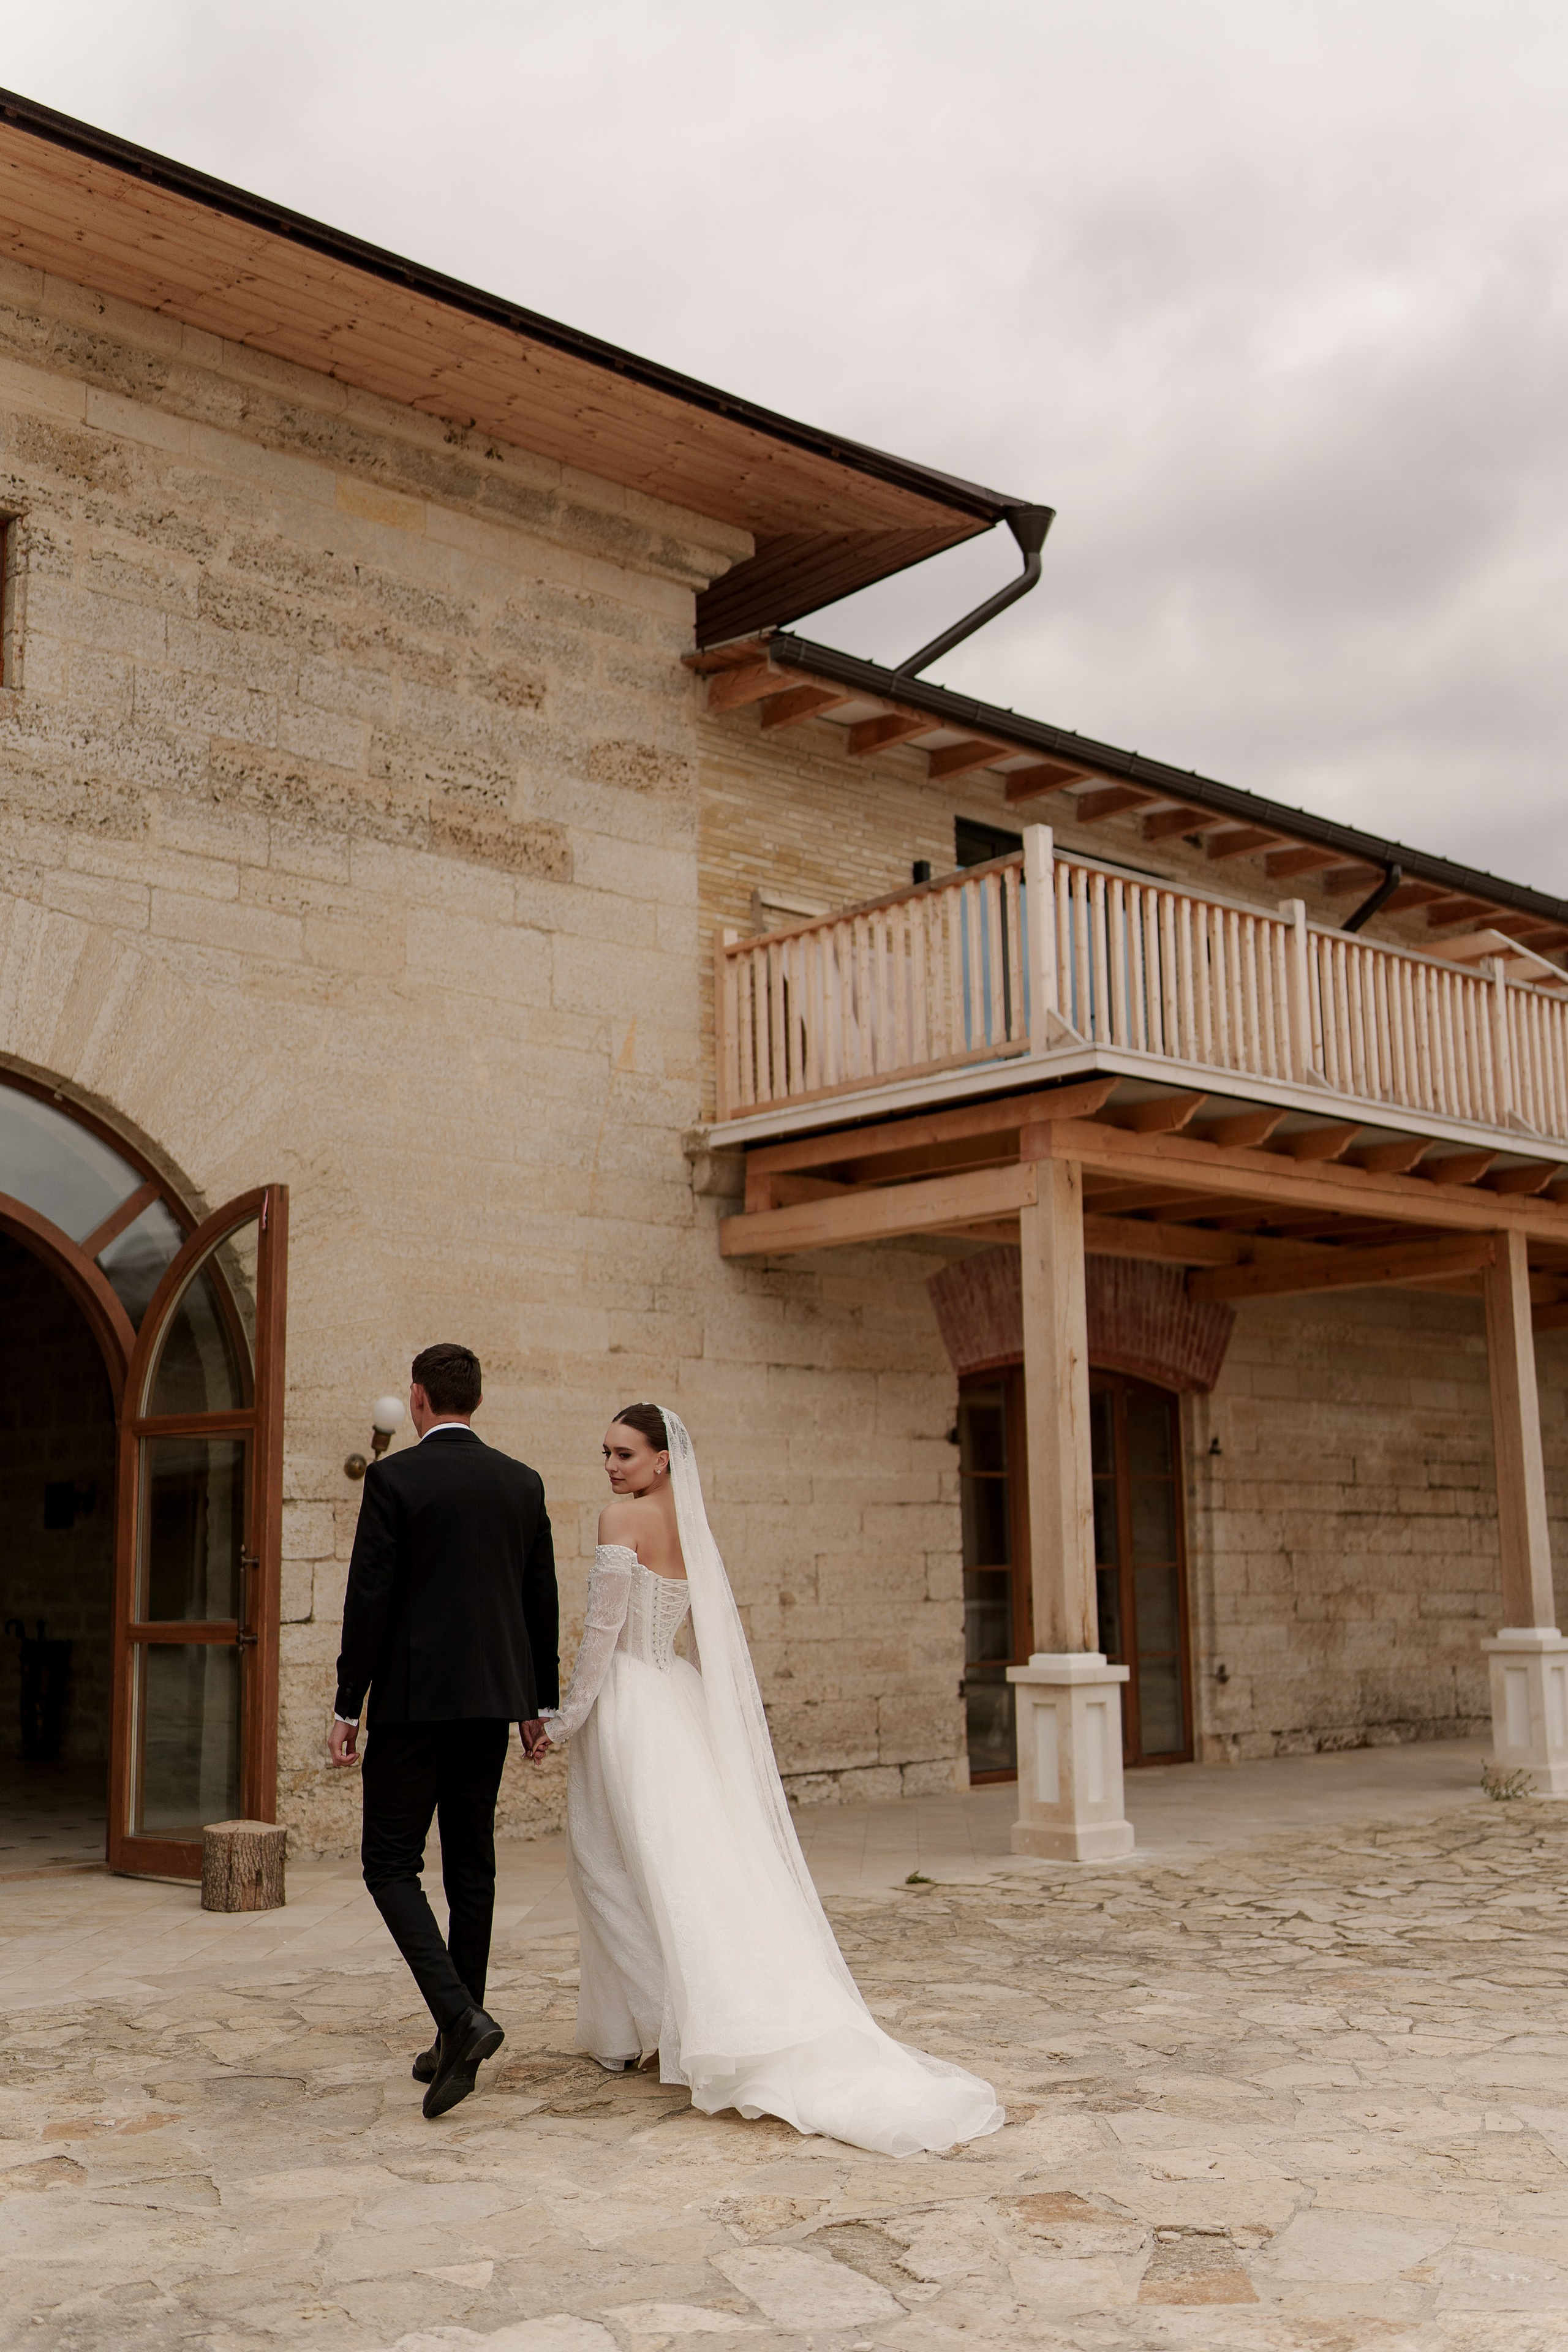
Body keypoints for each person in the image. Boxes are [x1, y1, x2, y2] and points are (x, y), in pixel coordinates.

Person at [537, 1403, 1003, 2158]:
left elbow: (600, 1639)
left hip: (630, 1705)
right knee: (684, 1868)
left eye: (625, 1454)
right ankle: (656, 2024)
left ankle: (657, 2027)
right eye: (606, 1454)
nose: (612, 1467)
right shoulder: (688, 1519)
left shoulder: (618, 1523)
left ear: (661, 1459)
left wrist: (562, 1722)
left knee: (609, 1863)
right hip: (673, 1697)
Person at [329, 1342, 558, 2120]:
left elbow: (371, 1601)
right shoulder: (521, 1484)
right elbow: (540, 1605)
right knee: (472, 1869)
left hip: (414, 1707)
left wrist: (344, 1704)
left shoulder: (395, 1478)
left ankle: (462, 2018)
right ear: (477, 1401)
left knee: (388, 1866)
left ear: (420, 1399)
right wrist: (536, 1706)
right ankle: (455, 2031)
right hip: (492, 1705)